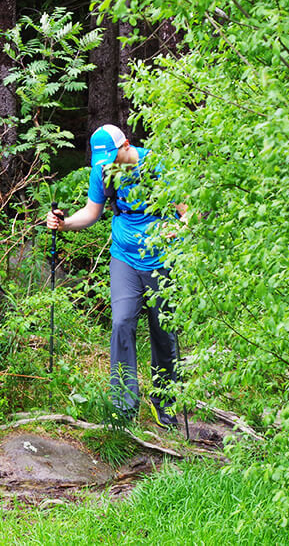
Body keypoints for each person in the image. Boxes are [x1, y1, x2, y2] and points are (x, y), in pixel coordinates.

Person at [46, 124, 185, 429]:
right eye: (102, 162)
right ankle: (124, 406)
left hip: (162, 257)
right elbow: (91, 212)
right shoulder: (103, 171)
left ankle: (166, 402)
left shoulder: (158, 165)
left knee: (164, 330)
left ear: (126, 146)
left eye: (112, 158)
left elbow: (186, 211)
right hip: (124, 256)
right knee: (122, 322)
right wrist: (64, 224)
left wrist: (181, 230)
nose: (108, 167)